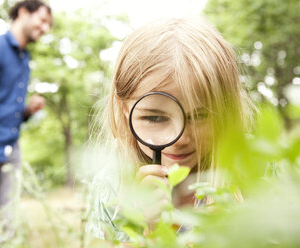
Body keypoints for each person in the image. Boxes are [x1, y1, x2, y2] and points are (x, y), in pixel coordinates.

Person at [85, 17, 254, 244]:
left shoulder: (253, 170)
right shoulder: (110, 186)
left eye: (200, 115)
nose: (180, 138)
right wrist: (147, 233)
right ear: (125, 110)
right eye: (154, 117)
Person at [0, 0, 52, 245]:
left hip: (10, 150)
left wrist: (27, 110)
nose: (45, 28)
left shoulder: (24, 58)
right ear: (24, 12)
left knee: (5, 225)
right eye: (43, 20)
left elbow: (4, 111)